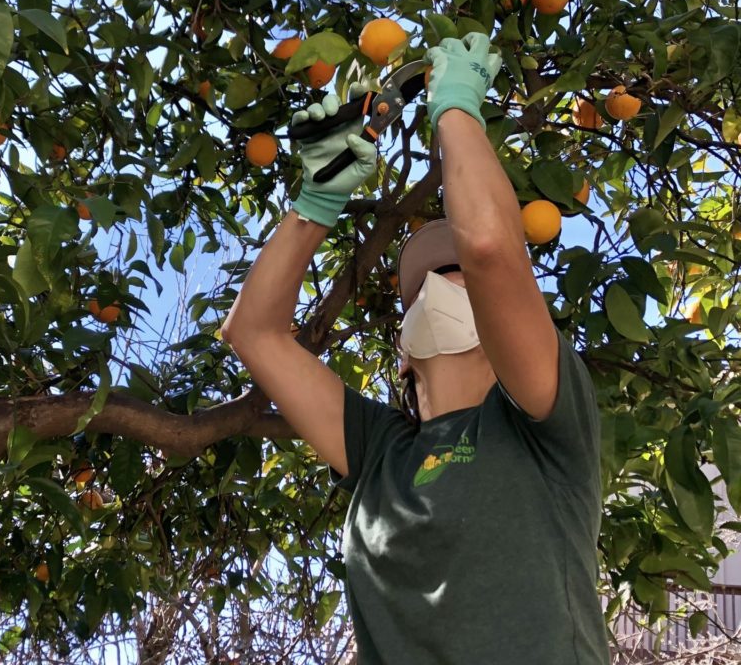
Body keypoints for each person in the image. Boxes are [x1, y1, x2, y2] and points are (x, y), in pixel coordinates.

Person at [223, 33, 611, 664]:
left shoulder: (545, 421)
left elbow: (489, 248)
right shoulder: (381, 452)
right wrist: (315, 202)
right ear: (403, 347)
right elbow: (254, 334)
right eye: (428, 283)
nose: (450, 282)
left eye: (461, 278)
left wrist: (455, 107)